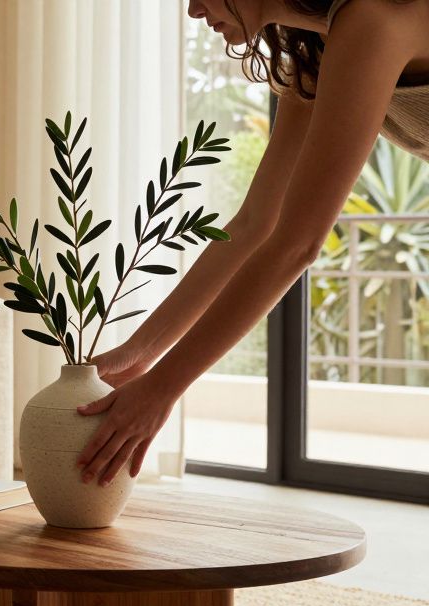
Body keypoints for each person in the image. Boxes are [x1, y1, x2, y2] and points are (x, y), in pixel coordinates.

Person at [75, 0, 429, 486]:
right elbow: (253, 224)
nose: (195, 10)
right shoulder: (318, 53)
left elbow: (298, 243)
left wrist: (161, 391)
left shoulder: (373, 17)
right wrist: (140, 354)